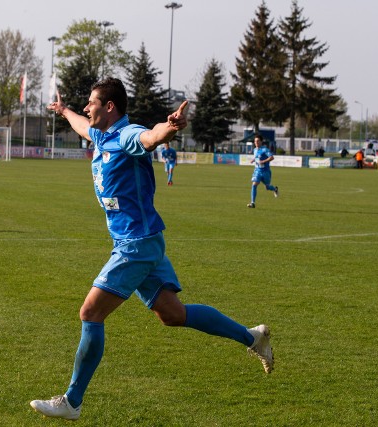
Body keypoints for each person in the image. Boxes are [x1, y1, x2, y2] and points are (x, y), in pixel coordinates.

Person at [30, 78, 273, 421]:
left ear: (110, 107)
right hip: (143, 240)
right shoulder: (101, 135)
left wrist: (169, 128)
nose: (87, 108)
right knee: (173, 314)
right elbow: (83, 126)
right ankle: (252, 337)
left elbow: (150, 136)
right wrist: (64, 110)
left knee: (90, 313)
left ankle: (72, 401)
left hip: (136, 243)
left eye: (92, 102)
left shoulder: (127, 135)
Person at [247, 134, 278, 208]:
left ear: (261, 142)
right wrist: (253, 160)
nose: (256, 142)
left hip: (266, 172)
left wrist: (264, 161)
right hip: (257, 171)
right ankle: (252, 203)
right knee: (254, 185)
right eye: (255, 141)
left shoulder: (265, 150)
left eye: (257, 141)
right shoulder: (255, 150)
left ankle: (275, 189)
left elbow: (272, 157)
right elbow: (257, 157)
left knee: (267, 187)